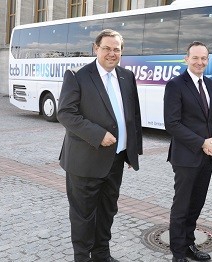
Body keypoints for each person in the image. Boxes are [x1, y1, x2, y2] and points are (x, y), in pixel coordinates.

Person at [57, 29, 143, 262]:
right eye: (107, 48)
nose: (112, 53)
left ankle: (101, 255)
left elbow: (133, 116)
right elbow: (65, 113)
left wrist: (131, 151)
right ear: (96, 49)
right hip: (84, 162)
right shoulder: (78, 76)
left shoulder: (126, 77)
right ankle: (82, 258)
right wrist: (97, 134)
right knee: (84, 216)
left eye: (117, 49)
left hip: (115, 160)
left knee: (107, 211)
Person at [164, 41, 212, 262]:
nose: (200, 62)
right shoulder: (176, 85)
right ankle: (177, 253)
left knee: (196, 204)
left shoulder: (210, 84)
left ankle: (189, 244)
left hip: (206, 157)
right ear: (186, 59)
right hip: (186, 156)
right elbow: (172, 123)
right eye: (195, 58)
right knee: (182, 206)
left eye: (204, 58)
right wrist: (201, 143)